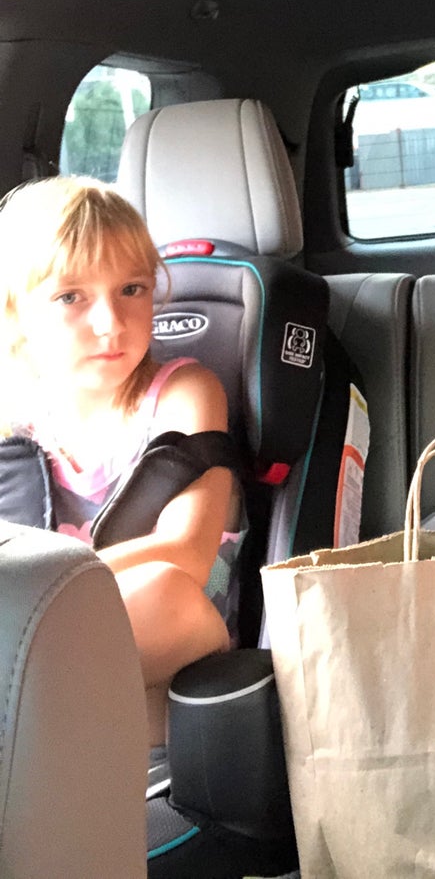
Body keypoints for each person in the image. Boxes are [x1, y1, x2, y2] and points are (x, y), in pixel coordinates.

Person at [0, 176, 243, 744]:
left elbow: (188, 553)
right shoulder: (13, 422)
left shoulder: (185, 394)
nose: (111, 322)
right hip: (50, 662)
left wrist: (34, 592)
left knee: (162, 589)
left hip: (179, 636)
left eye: (132, 289)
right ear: (15, 311)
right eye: (71, 297)